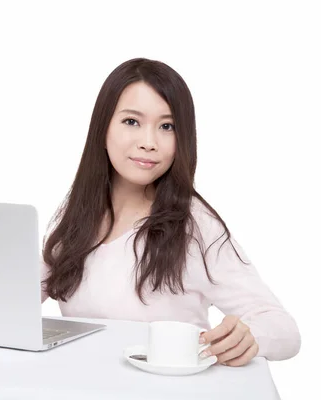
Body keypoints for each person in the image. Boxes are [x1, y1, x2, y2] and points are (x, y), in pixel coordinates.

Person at [40, 57, 301, 366]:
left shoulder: (195, 224)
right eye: (131, 122)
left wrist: (250, 337)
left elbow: (284, 331)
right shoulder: (75, 216)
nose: (149, 143)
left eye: (167, 126)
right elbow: (11, 302)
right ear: (102, 128)